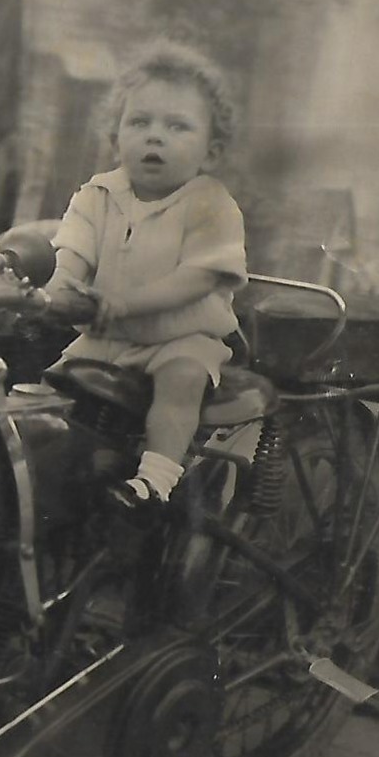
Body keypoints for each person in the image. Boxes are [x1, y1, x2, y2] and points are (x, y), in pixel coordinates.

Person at [44, 41, 248, 511]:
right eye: (139, 123)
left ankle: (154, 481)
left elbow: (199, 277)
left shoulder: (210, 204)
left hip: (181, 336)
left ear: (210, 152)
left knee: (182, 381)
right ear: (115, 138)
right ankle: (59, 479)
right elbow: (73, 252)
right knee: (53, 385)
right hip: (108, 337)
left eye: (177, 126)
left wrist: (127, 302)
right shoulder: (97, 195)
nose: (154, 137)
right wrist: (59, 287)